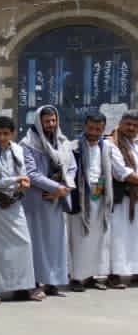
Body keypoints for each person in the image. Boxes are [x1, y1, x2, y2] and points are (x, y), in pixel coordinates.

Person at [0, 116, 39, 304]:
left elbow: (25, 176)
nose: (2, 137)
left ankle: (23, 287)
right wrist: (14, 180)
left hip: (15, 204)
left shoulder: (19, 151)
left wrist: (22, 184)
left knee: (23, 243)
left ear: (12, 134)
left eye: (6, 134)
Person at [21, 105, 75, 297]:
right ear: (39, 122)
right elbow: (31, 173)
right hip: (36, 201)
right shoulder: (27, 144)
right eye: (46, 121)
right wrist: (54, 187)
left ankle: (53, 281)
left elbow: (71, 167)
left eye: (53, 120)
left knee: (55, 243)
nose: (51, 124)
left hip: (55, 201)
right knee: (36, 243)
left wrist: (62, 189)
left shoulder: (63, 142)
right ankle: (35, 281)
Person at [66, 112, 121, 291]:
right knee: (78, 239)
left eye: (98, 129)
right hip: (80, 199)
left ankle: (90, 276)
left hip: (100, 197)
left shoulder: (108, 147)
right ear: (85, 126)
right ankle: (75, 277)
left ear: (103, 129)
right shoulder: (73, 146)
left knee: (97, 239)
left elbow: (118, 169)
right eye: (91, 128)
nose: (94, 132)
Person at [108, 110, 138, 288]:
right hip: (121, 199)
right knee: (118, 237)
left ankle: (135, 271)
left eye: (135, 125)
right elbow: (122, 172)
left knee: (135, 238)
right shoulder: (112, 143)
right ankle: (114, 274)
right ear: (120, 123)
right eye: (128, 124)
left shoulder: (135, 144)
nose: (131, 128)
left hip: (136, 197)